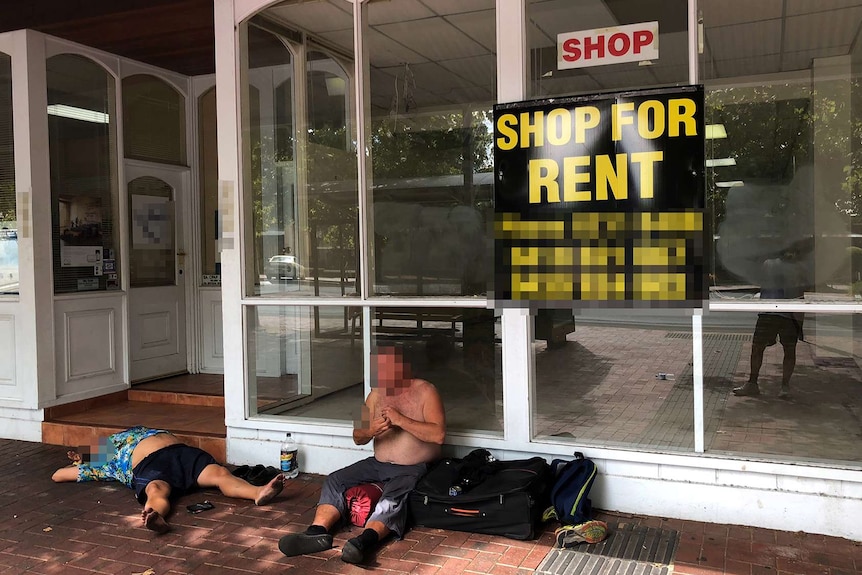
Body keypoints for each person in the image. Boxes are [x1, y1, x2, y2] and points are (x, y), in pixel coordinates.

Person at [277, 344, 446, 564]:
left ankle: (364, 542)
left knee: (391, 500)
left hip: (413, 467)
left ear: (404, 366)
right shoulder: (375, 395)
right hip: (377, 463)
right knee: (335, 480)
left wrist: (401, 420)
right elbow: (358, 436)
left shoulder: (426, 390)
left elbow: (439, 435)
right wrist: (370, 431)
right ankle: (317, 532)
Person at [51, 425, 285, 534]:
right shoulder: (104, 466)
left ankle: (257, 493)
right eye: (90, 454)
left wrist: (84, 454)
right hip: (150, 465)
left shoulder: (114, 441)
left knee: (220, 474)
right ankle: (156, 518)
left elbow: (90, 449)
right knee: (156, 489)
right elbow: (58, 475)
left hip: (182, 454)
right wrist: (82, 462)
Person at [733, 253, 806, 399]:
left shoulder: (774, 264)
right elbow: (798, 294)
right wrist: (799, 322)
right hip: (779, 313)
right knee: (782, 349)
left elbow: (798, 294)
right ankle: (779, 386)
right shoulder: (779, 265)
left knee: (764, 348)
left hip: (777, 313)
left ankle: (758, 383)